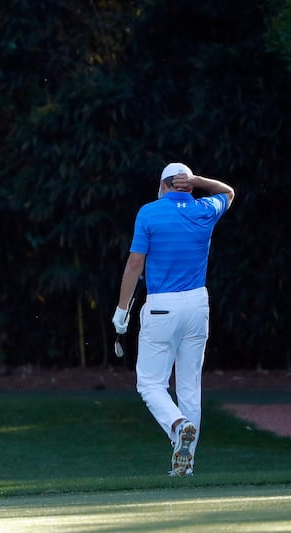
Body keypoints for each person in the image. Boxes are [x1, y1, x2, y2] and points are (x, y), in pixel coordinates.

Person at [112, 162, 235, 477]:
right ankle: (186, 465)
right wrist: (199, 180)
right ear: (189, 186)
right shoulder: (205, 208)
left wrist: (122, 310)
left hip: (162, 307)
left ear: (163, 185)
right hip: (197, 305)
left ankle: (178, 424)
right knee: (189, 387)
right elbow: (228, 191)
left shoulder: (149, 213)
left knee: (151, 384)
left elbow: (134, 265)